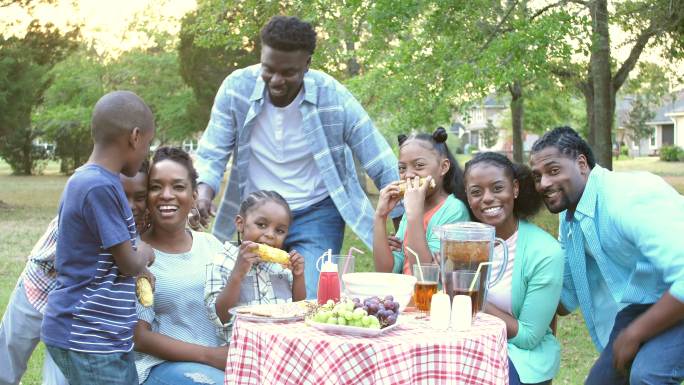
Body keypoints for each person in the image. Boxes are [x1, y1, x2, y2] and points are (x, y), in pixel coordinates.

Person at [193, 15, 402, 299]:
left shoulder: (332, 96)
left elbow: (377, 156)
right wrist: (203, 192)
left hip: (317, 212)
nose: (276, 80)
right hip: (259, 212)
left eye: (288, 72)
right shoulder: (235, 88)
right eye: (269, 69)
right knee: (248, 297)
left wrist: (404, 220)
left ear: (307, 64)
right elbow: (213, 150)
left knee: (311, 299)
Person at [529, 126, 684, 385]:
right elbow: (564, 300)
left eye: (553, 171)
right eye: (537, 176)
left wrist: (635, 333)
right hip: (650, 301)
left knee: (647, 375)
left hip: (675, 294)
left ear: (581, 164)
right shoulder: (571, 221)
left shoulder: (628, 198)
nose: (543, 183)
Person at [40, 91, 155, 385]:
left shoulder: (103, 183)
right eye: (148, 144)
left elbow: (108, 256)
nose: (146, 153)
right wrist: (145, 252)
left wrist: (139, 270)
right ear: (135, 136)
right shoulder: (97, 186)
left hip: (105, 334)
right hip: (87, 334)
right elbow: (128, 261)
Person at [0, 160, 150, 385]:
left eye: (139, 197)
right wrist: (142, 264)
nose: (130, 206)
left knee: (60, 375)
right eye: (122, 197)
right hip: (39, 286)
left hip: (73, 312)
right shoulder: (92, 201)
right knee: (7, 360)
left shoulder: (141, 217)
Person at [463, 152, 563, 385]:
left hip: (519, 357)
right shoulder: (463, 241)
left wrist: (471, 299)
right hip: (468, 349)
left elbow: (528, 337)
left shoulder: (544, 251)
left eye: (497, 188)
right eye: (476, 192)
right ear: (468, 198)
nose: (487, 198)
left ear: (515, 189)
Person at [133, 147, 229, 385]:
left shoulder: (212, 246)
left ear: (194, 195)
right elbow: (140, 337)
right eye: (156, 187)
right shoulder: (138, 256)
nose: (166, 195)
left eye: (178, 186)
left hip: (220, 361)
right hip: (161, 367)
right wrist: (210, 356)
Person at [205, 190, 306, 342]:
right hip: (242, 348)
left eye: (279, 230)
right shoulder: (222, 261)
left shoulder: (282, 267)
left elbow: (297, 308)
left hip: (281, 345)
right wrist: (237, 274)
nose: (270, 235)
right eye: (261, 225)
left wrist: (298, 277)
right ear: (241, 224)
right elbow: (221, 316)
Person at [373, 127, 470, 273]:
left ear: (443, 167)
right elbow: (385, 272)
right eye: (402, 168)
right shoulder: (411, 212)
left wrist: (414, 215)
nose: (408, 175)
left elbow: (425, 276)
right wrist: (380, 216)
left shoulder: (455, 210)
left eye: (419, 165)